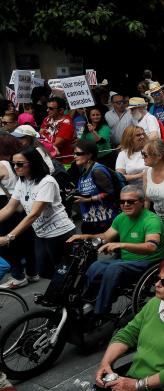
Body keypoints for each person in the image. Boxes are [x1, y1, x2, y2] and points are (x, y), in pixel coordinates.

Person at [94, 257, 164, 390]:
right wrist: (105, 363)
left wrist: (138, 385)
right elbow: (127, 334)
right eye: (157, 278)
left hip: (161, 385)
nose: (157, 284)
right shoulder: (154, 303)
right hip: (134, 377)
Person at [69, 185, 164, 317]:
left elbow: (151, 247)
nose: (125, 204)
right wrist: (85, 236)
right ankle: (86, 303)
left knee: (113, 269)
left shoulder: (151, 220)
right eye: (122, 201)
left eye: (130, 201)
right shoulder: (121, 218)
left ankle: (100, 311)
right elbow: (106, 237)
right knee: (95, 266)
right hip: (125, 260)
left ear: (142, 202)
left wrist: (122, 245)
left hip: (146, 262)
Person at [0, 147, 75, 279]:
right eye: (13, 164)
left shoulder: (47, 182)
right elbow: (9, 208)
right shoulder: (22, 182)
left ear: (33, 163)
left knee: (64, 274)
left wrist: (9, 237)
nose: (15, 167)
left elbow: (34, 214)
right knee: (44, 271)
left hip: (60, 233)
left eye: (20, 164)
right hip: (41, 234)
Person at [0, 134, 35, 290]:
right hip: (20, 205)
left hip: (8, 206)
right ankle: (32, 272)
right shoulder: (13, 163)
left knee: (6, 243)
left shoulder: (2, 164)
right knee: (25, 241)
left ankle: (18, 276)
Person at [72, 140, 119, 234]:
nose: (75, 156)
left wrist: (88, 200)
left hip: (105, 223)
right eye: (74, 153)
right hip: (90, 221)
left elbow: (110, 193)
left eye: (78, 154)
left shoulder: (97, 171)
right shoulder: (83, 170)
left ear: (89, 155)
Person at [39, 97, 76, 163]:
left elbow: (56, 144)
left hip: (63, 162)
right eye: (47, 108)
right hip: (48, 159)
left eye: (51, 109)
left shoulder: (67, 123)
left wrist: (39, 147)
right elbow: (40, 136)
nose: (47, 110)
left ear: (61, 110)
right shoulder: (47, 119)